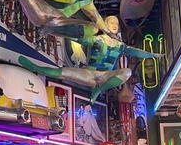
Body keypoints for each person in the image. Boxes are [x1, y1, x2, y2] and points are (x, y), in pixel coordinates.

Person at [19, 15, 162, 102]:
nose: (115, 25)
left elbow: (135, 52)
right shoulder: (97, 40)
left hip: (106, 77)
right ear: (105, 25)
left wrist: (152, 55)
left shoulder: (121, 46)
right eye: (112, 23)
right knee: (63, 72)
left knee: (127, 72)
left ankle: (99, 90)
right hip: (89, 74)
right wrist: (53, 31)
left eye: (116, 24)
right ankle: (35, 68)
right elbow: (77, 38)